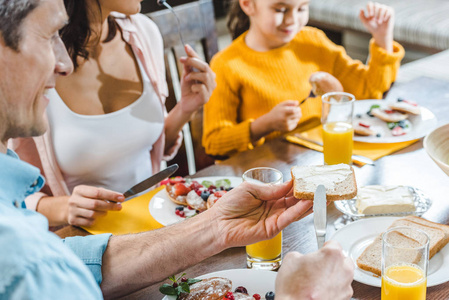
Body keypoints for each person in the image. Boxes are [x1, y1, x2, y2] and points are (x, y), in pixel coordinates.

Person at [0, 1, 354, 298]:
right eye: (48, 36)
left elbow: (74, 259)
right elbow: (44, 265)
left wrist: (215, 227)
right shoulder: (26, 265)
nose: (62, 63)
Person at [9, 0, 217, 227]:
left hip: (155, 220)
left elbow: (140, 149)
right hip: (81, 238)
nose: (63, 66)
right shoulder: (34, 58)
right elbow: (10, 196)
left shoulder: (144, 34)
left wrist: (186, 108)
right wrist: (63, 207)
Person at [202, 0, 405, 157]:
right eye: (281, 10)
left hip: (321, 159)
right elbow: (214, 144)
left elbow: (370, 91)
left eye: (301, 8)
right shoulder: (226, 64)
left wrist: (382, 38)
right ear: (247, 4)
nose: (292, 20)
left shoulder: (314, 41)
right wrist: (264, 125)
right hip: (267, 176)